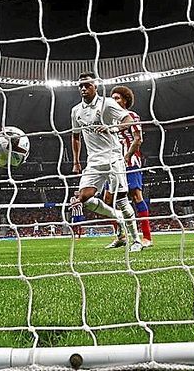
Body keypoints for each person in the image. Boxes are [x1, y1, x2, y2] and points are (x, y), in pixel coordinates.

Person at [70, 72, 142, 252]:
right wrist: (76, 161)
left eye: (87, 85)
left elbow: (128, 120)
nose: (83, 88)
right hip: (93, 161)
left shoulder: (107, 104)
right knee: (84, 198)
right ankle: (118, 218)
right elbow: (75, 136)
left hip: (113, 158)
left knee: (122, 200)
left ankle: (136, 240)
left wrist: (112, 127)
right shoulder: (76, 111)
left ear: (95, 86)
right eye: (81, 86)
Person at [103, 85, 152, 248]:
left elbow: (138, 139)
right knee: (108, 199)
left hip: (129, 161)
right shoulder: (110, 119)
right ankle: (121, 236)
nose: (114, 101)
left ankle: (146, 237)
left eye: (117, 98)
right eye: (113, 98)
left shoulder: (132, 116)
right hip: (113, 162)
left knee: (136, 196)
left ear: (125, 100)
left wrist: (128, 156)